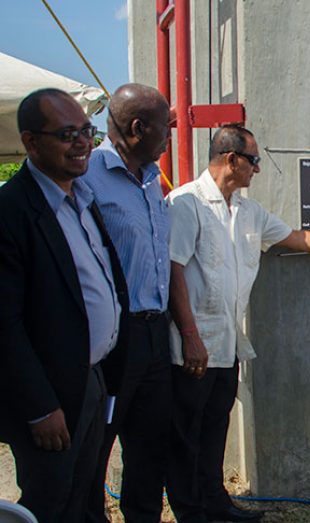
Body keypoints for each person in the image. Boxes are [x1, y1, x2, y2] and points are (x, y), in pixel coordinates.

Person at [164, 125, 310, 522]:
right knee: (186, 437)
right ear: (231, 159)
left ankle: (216, 504)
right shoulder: (185, 204)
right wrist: (190, 335)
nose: (258, 170)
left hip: (228, 345)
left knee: (214, 430)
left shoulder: (248, 211)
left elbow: (296, 239)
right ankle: (190, 513)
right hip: (192, 347)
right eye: (254, 160)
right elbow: (173, 271)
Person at [0, 88, 127, 522]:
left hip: (91, 377)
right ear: (31, 143)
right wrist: (39, 406)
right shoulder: (12, 211)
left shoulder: (79, 198)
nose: (82, 143)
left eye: (87, 132)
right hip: (50, 394)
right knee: (52, 500)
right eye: (68, 133)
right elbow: (5, 324)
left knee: (87, 494)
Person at [83, 83, 175, 522]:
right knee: (97, 445)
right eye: (166, 129)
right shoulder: (87, 177)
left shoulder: (153, 178)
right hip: (113, 338)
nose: (170, 137)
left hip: (156, 332)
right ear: (138, 128)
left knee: (150, 445)